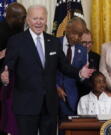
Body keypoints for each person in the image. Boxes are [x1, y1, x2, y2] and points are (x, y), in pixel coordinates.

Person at [0, 5, 94, 135]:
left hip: (49, 106)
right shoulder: (16, 41)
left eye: (41, 18)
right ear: (28, 20)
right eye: (35, 18)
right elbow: (7, 66)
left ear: (46, 20)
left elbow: (64, 66)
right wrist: (4, 76)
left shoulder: (53, 41)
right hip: (26, 106)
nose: (38, 22)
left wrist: (79, 73)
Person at [0, 2, 26, 135]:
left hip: (17, 82)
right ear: (11, 17)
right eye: (21, 18)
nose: (24, 20)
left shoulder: (19, 29)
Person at [56, 17, 87, 120]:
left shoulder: (82, 51)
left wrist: (83, 76)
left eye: (80, 34)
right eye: (75, 33)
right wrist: (55, 87)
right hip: (51, 95)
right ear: (68, 29)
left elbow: (81, 78)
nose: (78, 38)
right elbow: (46, 70)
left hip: (70, 98)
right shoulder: (54, 43)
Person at [78, 29, 100, 97]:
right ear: (78, 42)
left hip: (93, 95)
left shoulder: (97, 57)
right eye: (84, 42)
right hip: (77, 94)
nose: (87, 45)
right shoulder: (72, 56)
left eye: (90, 42)